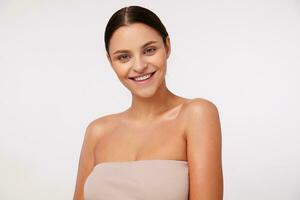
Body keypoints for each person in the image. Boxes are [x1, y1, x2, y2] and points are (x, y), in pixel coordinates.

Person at [73, 5, 223, 200]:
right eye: (124, 57)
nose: (139, 66)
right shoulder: (97, 131)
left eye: (149, 50)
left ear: (167, 46)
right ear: (111, 61)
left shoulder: (196, 114)